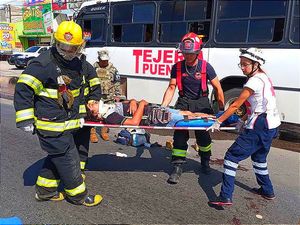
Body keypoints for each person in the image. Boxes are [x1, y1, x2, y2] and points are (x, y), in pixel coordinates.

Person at [14, 21, 102, 207]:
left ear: (80, 46)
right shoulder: (43, 63)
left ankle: (45, 192)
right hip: (51, 126)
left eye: (72, 47)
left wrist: (92, 102)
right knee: (69, 160)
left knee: (57, 158)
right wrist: (25, 119)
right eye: (63, 46)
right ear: (56, 42)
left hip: (67, 124)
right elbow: (23, 88)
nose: (68, 51)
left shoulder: (78, 64)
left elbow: (83, 90)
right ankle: (78, 196)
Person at [207, 48, 281, 206]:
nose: (242, 68)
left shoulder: (254, 80)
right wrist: (244, 120)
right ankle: (268, 191)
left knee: (231, 157)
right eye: (240, 64)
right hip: (272, 124)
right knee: (259, 158)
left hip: (261, 125)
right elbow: (257, 104)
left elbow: (235, 105)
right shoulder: (264, 78)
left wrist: (219, 121)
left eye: (245, 64)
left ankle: (225, 196)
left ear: (256, 64)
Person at [161, 32, 225, 183]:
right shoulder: (176, 68)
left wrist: (221, 111)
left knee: (203, 135)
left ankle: (205, 161)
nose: (187, 56)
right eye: (185, 53)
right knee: (180, 135)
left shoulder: (206, 67)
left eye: (190, 53)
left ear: (197, 52)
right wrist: (163, 107)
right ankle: (177, 166)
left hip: (202, 103)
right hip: (183, 102)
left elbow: (218, 88)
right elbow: (171, 87)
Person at [86, 99, 216, 126]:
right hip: (155, 116)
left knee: (187, 112)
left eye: (92, 103)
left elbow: (127, 102)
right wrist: (141, 104)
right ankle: (215, 121)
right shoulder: (109, 116)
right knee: (187, 117)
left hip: (155, 109)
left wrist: (132, 101)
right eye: (91, 106)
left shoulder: (110, 106)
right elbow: (134, 122)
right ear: (95, 114)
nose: (93, 103)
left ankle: (216, 117)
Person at [90, 49, 122, 143]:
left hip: (109, 96)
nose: (104, 62)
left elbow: (117, 82)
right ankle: (92, 133)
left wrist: (117, 95)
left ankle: (104, 132)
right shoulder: (93, 68)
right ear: (99, 59)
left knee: (108, 113)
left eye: (106, 60)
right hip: (96, 95)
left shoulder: (113, 69)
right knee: (94, 114)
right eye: (102, 60)